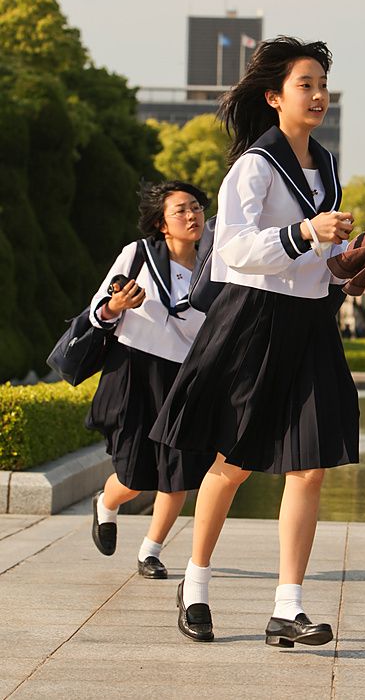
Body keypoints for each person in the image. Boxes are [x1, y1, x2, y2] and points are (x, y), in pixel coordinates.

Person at [150, 36, 359, 646]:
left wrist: (357, 258)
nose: (318, 95)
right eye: (306, 85)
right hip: (256, 322)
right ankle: (195, 583)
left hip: (312, 322)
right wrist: (302, 233)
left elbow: (322, 250)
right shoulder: (254, 165)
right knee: (234, 464)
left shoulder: (327, 165)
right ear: (274, 97)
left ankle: (286, 609)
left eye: (323, 85)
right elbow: (234, 249)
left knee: (310, 467)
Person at [88, 180, 213, 578]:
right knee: (134, 474)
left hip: (184, 375)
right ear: (162, 223)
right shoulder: (137, 255)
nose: (192, 215)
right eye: (181, 210)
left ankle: (151, 551)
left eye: (196, 207)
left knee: (177, 470)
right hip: (134, 368)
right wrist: (115, 305)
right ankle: (107, 503)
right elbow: (98, 310)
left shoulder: (216, 266)